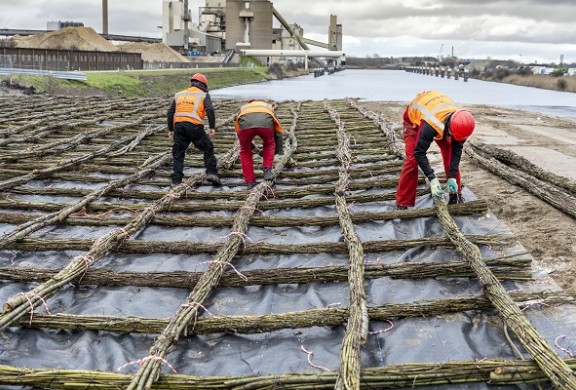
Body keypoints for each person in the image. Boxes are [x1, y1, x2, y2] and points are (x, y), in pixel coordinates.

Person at [396, 90, 475, 208]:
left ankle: (455, 196)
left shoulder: (462, 124)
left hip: (442, 121)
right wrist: (432, 178)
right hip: (414, 121)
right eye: (451, 136)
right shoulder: (431, 125)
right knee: (412, 160)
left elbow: (456, 151)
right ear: (449, 128)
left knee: (450, 157)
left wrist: (452, 177)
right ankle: (402, 202)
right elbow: (419, 153)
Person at [167, 73, 221, 187]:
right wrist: (212, 127)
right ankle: (211, 173)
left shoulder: (179, 94)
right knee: (208, 148)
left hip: (179, 126)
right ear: (203, 85)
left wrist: (171, 129)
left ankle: (176, 181)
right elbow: (210, 109)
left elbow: (170, 112)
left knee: (178, 154)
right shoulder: (203, 94)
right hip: (194, 126)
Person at [234, 100, 283, 188]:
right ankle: (267, 170)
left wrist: (252, 148)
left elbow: (241, 137)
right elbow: (278, 132)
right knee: (269, 144)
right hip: (265, 124)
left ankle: (250, 181)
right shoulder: (268, 107)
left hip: (245, 126)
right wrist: (279, 151)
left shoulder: (244, 107)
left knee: (245, 150)